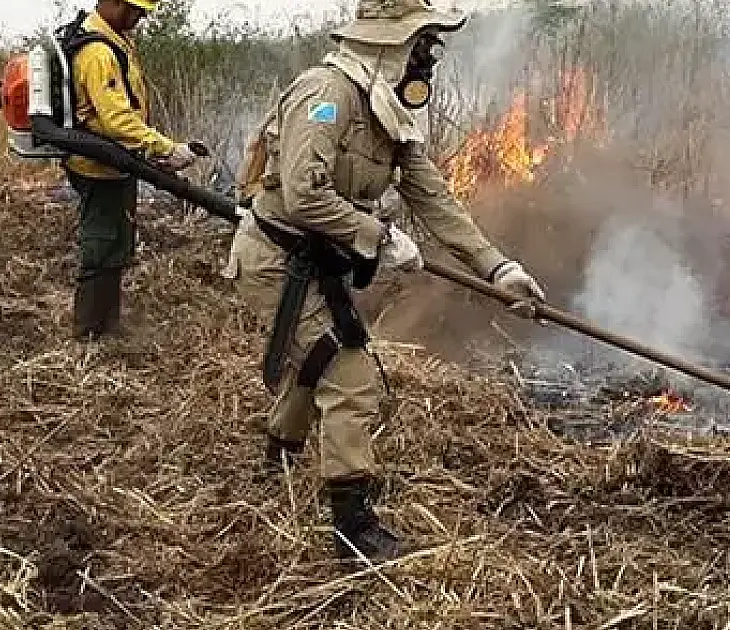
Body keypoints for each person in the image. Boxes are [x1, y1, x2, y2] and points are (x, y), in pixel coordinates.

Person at [222, 0, 545, 562]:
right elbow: (303, 196)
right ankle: (354, 528)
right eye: (423, 45)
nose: (429, 58)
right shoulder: (327, 96)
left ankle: (275, 457)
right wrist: (378, 235)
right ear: (389, 44)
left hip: (320, 262)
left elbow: (435, 200)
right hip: (277, 261)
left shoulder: (388, 110)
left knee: (317, 357)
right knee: (349, 376)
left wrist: (499, 268)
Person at [63, 0, 198, 339]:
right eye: (134, 10)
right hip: (99, 166)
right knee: (102, 245)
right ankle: (89, 335)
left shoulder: (114, 39)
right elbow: (117, 120)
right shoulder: (98, 52)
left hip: (115, 163)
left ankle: (108, 325)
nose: (138, 18)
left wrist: (150, 155)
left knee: (117, 242)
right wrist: (166, 148)